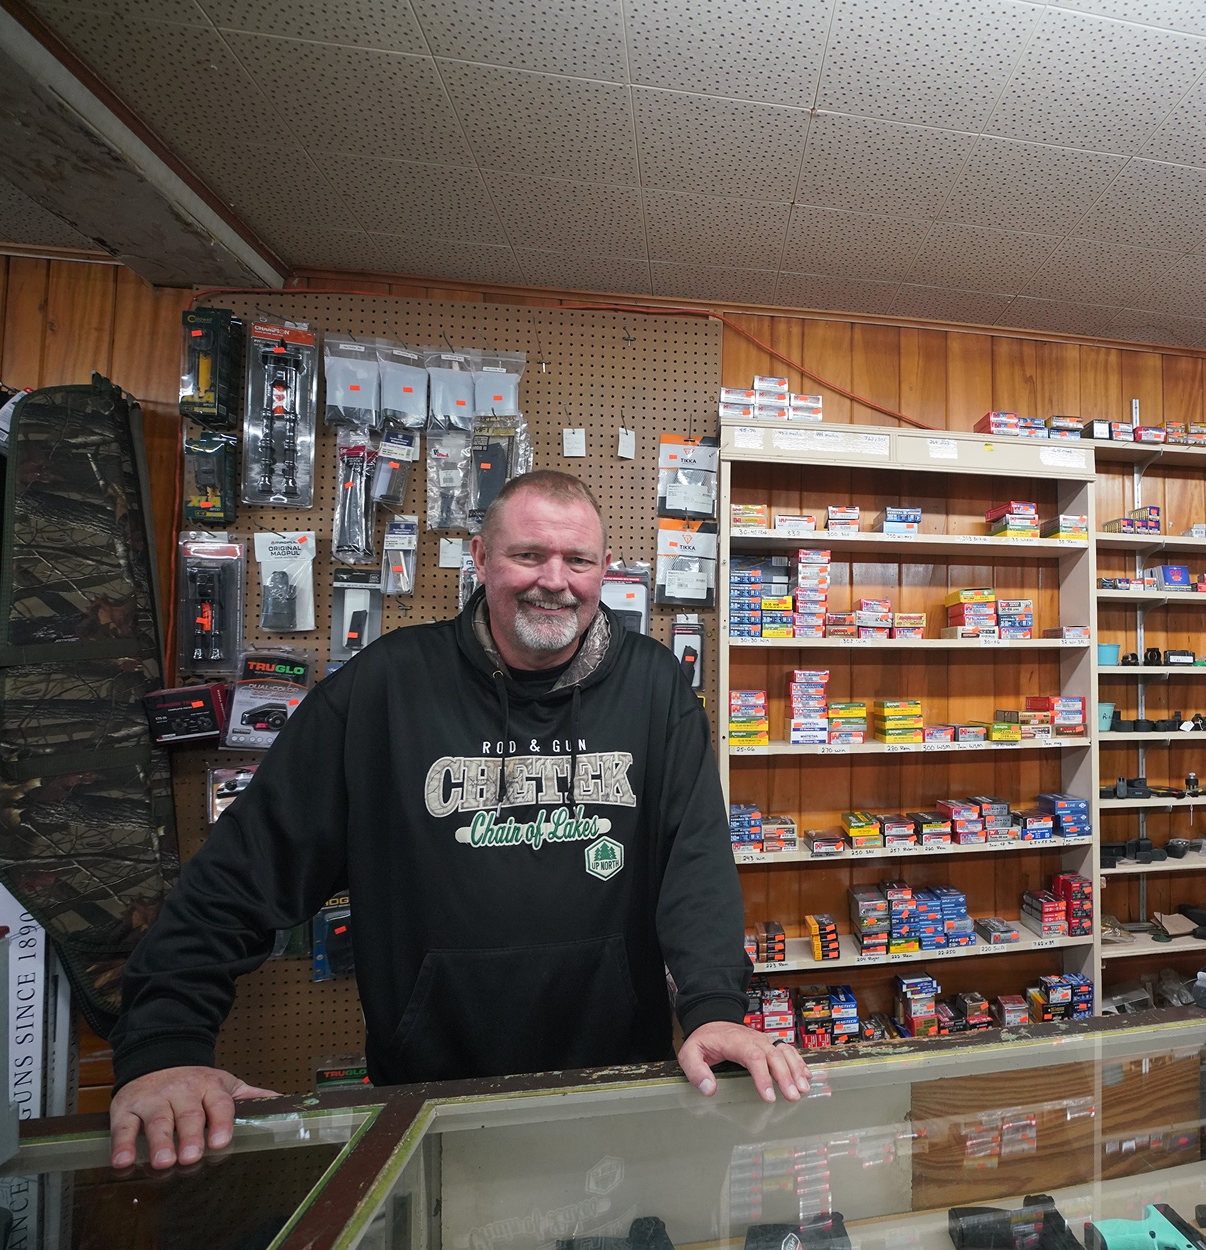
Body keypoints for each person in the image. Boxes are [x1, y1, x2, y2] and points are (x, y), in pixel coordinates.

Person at [107, 470, 808, 1170]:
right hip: (430, 1101)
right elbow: (243, 872)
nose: (555, 581)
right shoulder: (385, 689)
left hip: (618, 1088)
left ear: (604, 570)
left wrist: (715, 1006)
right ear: (479, 557)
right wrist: (164, 1046)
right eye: (529, 555)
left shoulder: (657, 689)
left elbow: (697, 869)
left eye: (578, 561)